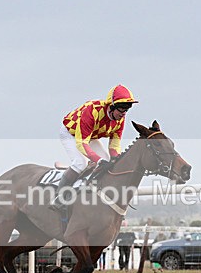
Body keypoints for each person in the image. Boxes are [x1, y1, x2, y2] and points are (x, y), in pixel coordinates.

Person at [52, 84, 138, 212]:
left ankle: (91, 192)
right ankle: (59, 197)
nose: (124, 113)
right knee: (81, 163)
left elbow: (114, 145)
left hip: (89, 136)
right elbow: (81, 143)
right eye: (121, 108)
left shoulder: (120, 119)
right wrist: (97, 160)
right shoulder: (92, 111)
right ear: (111, 106)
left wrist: (116, 160)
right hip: (71, 133)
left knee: (108, 161)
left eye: (127, 109)